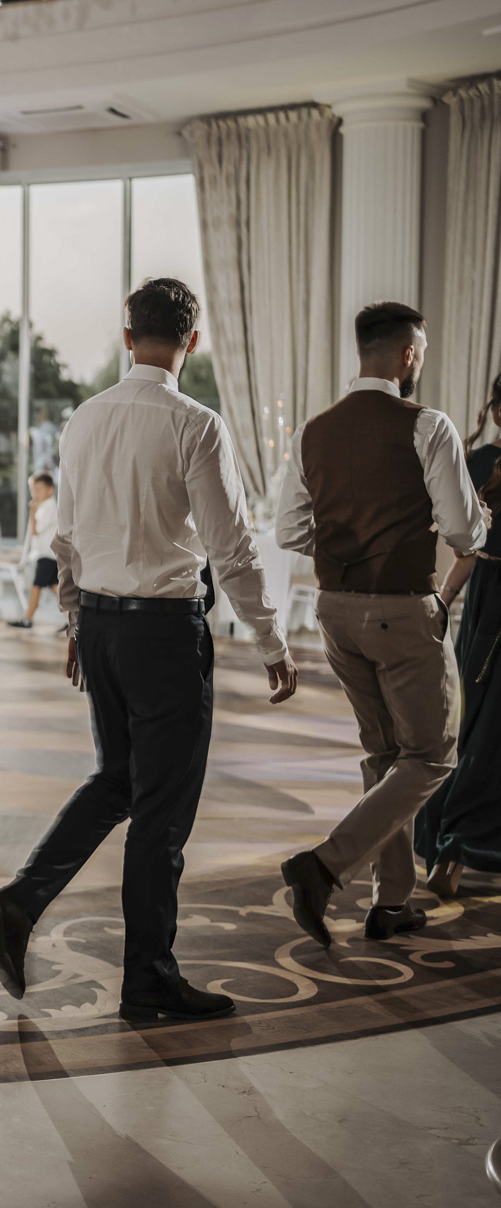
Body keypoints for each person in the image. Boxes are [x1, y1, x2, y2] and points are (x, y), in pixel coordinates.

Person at [0, 278, 296, 1023]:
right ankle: (147, 979)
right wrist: (271, 639)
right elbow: (230, 547)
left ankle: (19, 902)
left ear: (127, 338)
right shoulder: (196, 424)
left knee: (119, 780)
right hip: (162, 633)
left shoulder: (84, 420)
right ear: (193, 340)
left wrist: (74, 621)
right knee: (161, 810)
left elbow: (65, 537)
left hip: (103, 625)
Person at [276, 301, 487, 947]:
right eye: (419, 350)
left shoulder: (313, 431)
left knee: (388, 755)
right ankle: (325, 865)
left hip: (335, 614)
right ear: (406, 355)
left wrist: (347, 536)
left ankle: (391, 901)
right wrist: (468, 516)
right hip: (401, 610)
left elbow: (289, 530)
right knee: (432, 756)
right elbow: (462, 530)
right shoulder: (427, 425)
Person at [417, 373, 501, 897]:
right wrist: (443, 600)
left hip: (488, 598)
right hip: (489, 607)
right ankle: (455, 843)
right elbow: (466, 548)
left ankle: (459, 843)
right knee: (474, 721)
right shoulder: (480, 462)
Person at [8, 472, 58, 630]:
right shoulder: (44, 507)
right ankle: (71, 617)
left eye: (39, 489)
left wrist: (31, 512)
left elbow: (36, 530)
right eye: (32, 489)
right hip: (47, 554)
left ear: (50, 490)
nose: (35, 493)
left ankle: (28, 618)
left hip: (47, 555)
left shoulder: (49, 508)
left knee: (36, 585)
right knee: (55, 586)